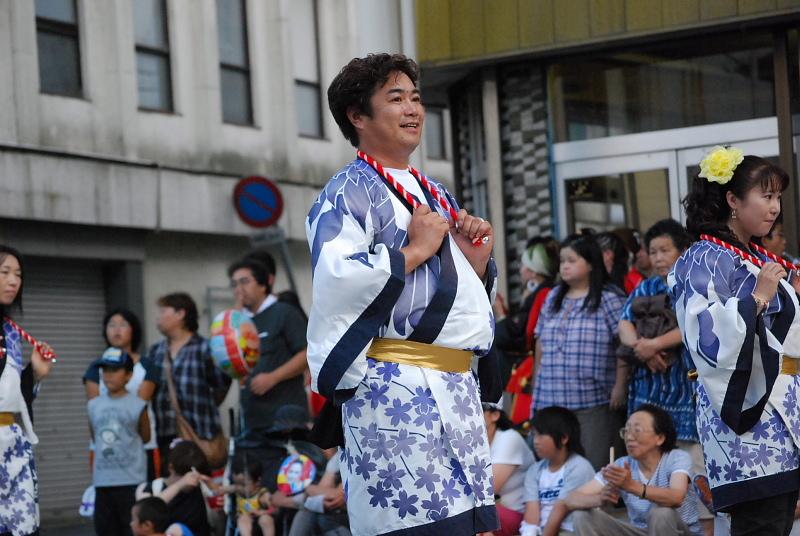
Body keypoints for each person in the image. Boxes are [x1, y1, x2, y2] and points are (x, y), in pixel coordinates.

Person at [306, 53, 499, 534]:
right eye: (395, 98)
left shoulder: (434, 190)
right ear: (358, 115)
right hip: (392, 390)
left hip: (454, 386)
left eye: (416, 98)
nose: (413, 108)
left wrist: (473, 258)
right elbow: (338, 280)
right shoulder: (343, 194)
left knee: (462, 524)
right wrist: (414, 251)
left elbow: (456, 289)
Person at [670, 147, 800, 535]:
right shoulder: (702, 258)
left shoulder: (755, 256)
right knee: (760, 525)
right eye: (766, 195)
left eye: (778, 196)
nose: (775, 206)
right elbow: (703, 333)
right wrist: (758, 297)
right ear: (732, 199)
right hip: (747, 418)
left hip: (784, 409)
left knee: (778, 522)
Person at [532, 233, 627, 470]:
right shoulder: (554, 296)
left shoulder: (609, 298)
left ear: (591, 263)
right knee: (555, 470)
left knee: (594, 468)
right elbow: (540, 342)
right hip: (552, 399)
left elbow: (623, 345)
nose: (565, 266)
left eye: (572, 260)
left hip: (593, 400)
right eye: (562, 261)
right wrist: (536, 381)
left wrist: (620, 384)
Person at [564, 405, 702, 535]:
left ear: (660, 438)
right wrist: (600, 498)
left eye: (637, 430)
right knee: (582, 516)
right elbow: (571, 499)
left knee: (661, 513)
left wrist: (630, 486)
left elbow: (676, 497)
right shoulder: (621, 464)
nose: (629, 437)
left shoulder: (677, 458)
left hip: (677, 531)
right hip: (639, 531)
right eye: (626, 431)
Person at [0, 245, 54, 536]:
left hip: (11, 440)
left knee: (21, 528)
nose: (13, 281)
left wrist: (34, 373)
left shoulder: (10, 329)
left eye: (18, 274)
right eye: (5, 272)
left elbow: (12, 396)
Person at [228, 256, 309, 438]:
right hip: (253, 420)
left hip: (285, 418)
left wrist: (273, 377)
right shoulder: (242, 321)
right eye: (234, 284)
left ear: (263, 285)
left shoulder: (284, 312)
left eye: (245, 282)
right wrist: (235, 318)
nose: (239, 290)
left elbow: (306, 354)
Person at [148, 293, 231, 468]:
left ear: (180, 314)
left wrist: (206, 408)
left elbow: (221, 384)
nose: (158, 317)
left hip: (199, 432)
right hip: (164, 434)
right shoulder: (156, 351)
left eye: (163, 311)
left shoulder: (205, 348)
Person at [84, 308, 160, 479]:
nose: (116, 330)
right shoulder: (95, 367)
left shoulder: (147, 365)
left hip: (140, 444)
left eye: (123, 325)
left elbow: (139, 405)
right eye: (111, 325)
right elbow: (95, 409)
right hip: (106, 446)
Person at [89, 348, 151, 536]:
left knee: (131, 530)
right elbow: (94, 436)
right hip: (103, 482)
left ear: (129, 375)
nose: (108, 375)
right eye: (105, 370)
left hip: (131, 481)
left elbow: (146, 436)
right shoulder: (93, 405)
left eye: (114, 370)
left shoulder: (138, 405)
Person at [520, 406, 595, 536]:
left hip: (570, 531)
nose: (535, 441)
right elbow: (532, 516)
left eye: (541, 435)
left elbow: (560, 510)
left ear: (564, 438)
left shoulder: (579, 467)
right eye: (534, 434)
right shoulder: (534, 470)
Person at [136, 440, 212, 536]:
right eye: (184, 475)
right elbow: (145, 511)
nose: (191, 481)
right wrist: (180, 484)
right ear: (171, 468)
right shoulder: (151, 488)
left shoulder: (200, 488)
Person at [483, 400, 535, 535]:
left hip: (517, 514)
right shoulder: (470, 441)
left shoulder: (509, 438)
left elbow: (489, 489)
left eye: (477, 408)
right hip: (491, 512)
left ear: (495, 415)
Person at [288, 449, 350, 536]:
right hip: (332, 516)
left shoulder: (349, 452)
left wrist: (308, 488)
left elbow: (335, 496)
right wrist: (312, 490)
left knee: (320, 517)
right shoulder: (336, 458)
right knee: (308, 511)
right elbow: (320, 493)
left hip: (352, 518)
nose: (324, 450)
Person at [217, 458, 275, 536]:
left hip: (260, 515)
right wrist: (205, 480)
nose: (239, 487)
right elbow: (218, 490)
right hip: (244, 517)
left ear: (257, 482)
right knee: (243, 519)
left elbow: (275, 509)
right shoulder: (236, 488)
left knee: (266, 519)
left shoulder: (263, 495)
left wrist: (262, 512)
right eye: (237, 483)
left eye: (243, 485)